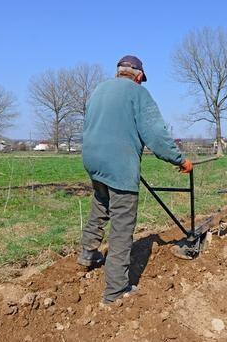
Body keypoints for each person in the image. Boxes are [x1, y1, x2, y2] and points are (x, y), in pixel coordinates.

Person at [79, 55, 193, 304]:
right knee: (122, 224)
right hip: (118, 163)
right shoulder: (139, 94)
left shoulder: (99, 89)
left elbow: (89, 124)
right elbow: (156, 135)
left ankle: (87, 255)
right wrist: (180, 160)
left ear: (119, 72)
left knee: (100, 204)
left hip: (92, 159)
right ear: (139, 76)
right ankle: (116, 291)